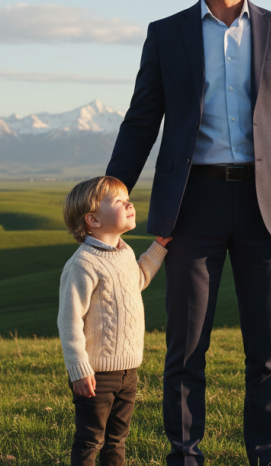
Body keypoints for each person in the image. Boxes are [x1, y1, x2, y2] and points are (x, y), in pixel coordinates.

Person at [105, 0, 271, 466]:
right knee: (184, 350)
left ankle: (266, 457)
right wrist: (110, 192)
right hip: (191, 206)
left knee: (267, 354)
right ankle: (185, 456)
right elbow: (140, 121)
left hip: (267, 208)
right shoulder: (166, 35)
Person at [57, 175, 172, 466]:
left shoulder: (124, 252)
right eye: (119, 201)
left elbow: (138, 278)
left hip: (128, 370)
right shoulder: (82, 265)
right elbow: (69, 321)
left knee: (117, 439)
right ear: (93, 219)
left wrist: (159, 247)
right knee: (90, 439)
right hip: (96, 375)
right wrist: (79, 369)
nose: (129, 203)